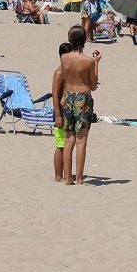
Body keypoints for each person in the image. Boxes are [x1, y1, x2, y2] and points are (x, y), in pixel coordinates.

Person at [52, 26, 100, 186]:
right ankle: (79, 178)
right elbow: (93, 84)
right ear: (84, 39)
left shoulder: (64, 58)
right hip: (83, 98)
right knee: (81, 141)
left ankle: (68, 178)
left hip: (68, 98)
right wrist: (97, 63)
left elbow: (65, 76)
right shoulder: (88, 61)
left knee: (68, 139)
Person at [49, 41, 72, 181]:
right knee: (61, 145)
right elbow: (55, 94)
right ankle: (58, 175)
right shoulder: (59, 72)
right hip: (60, 112)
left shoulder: (70, 71)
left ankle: (65, 173)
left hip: (69, 110)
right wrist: (57, 114)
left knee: (67, 143)